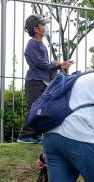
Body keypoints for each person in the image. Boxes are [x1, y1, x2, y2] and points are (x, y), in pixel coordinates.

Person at [17, 14, 72, 144]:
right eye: (43, 25)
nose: (45, 27)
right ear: (36, 29)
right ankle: (25, 136)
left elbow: (45, 65)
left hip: (42, 81)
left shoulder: (42, 45)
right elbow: (39, 63)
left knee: (40, 108)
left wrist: (58, 65)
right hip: (34, 82)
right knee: (34, 108)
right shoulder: (32, 44)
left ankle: (35, 134)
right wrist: (56, 64)